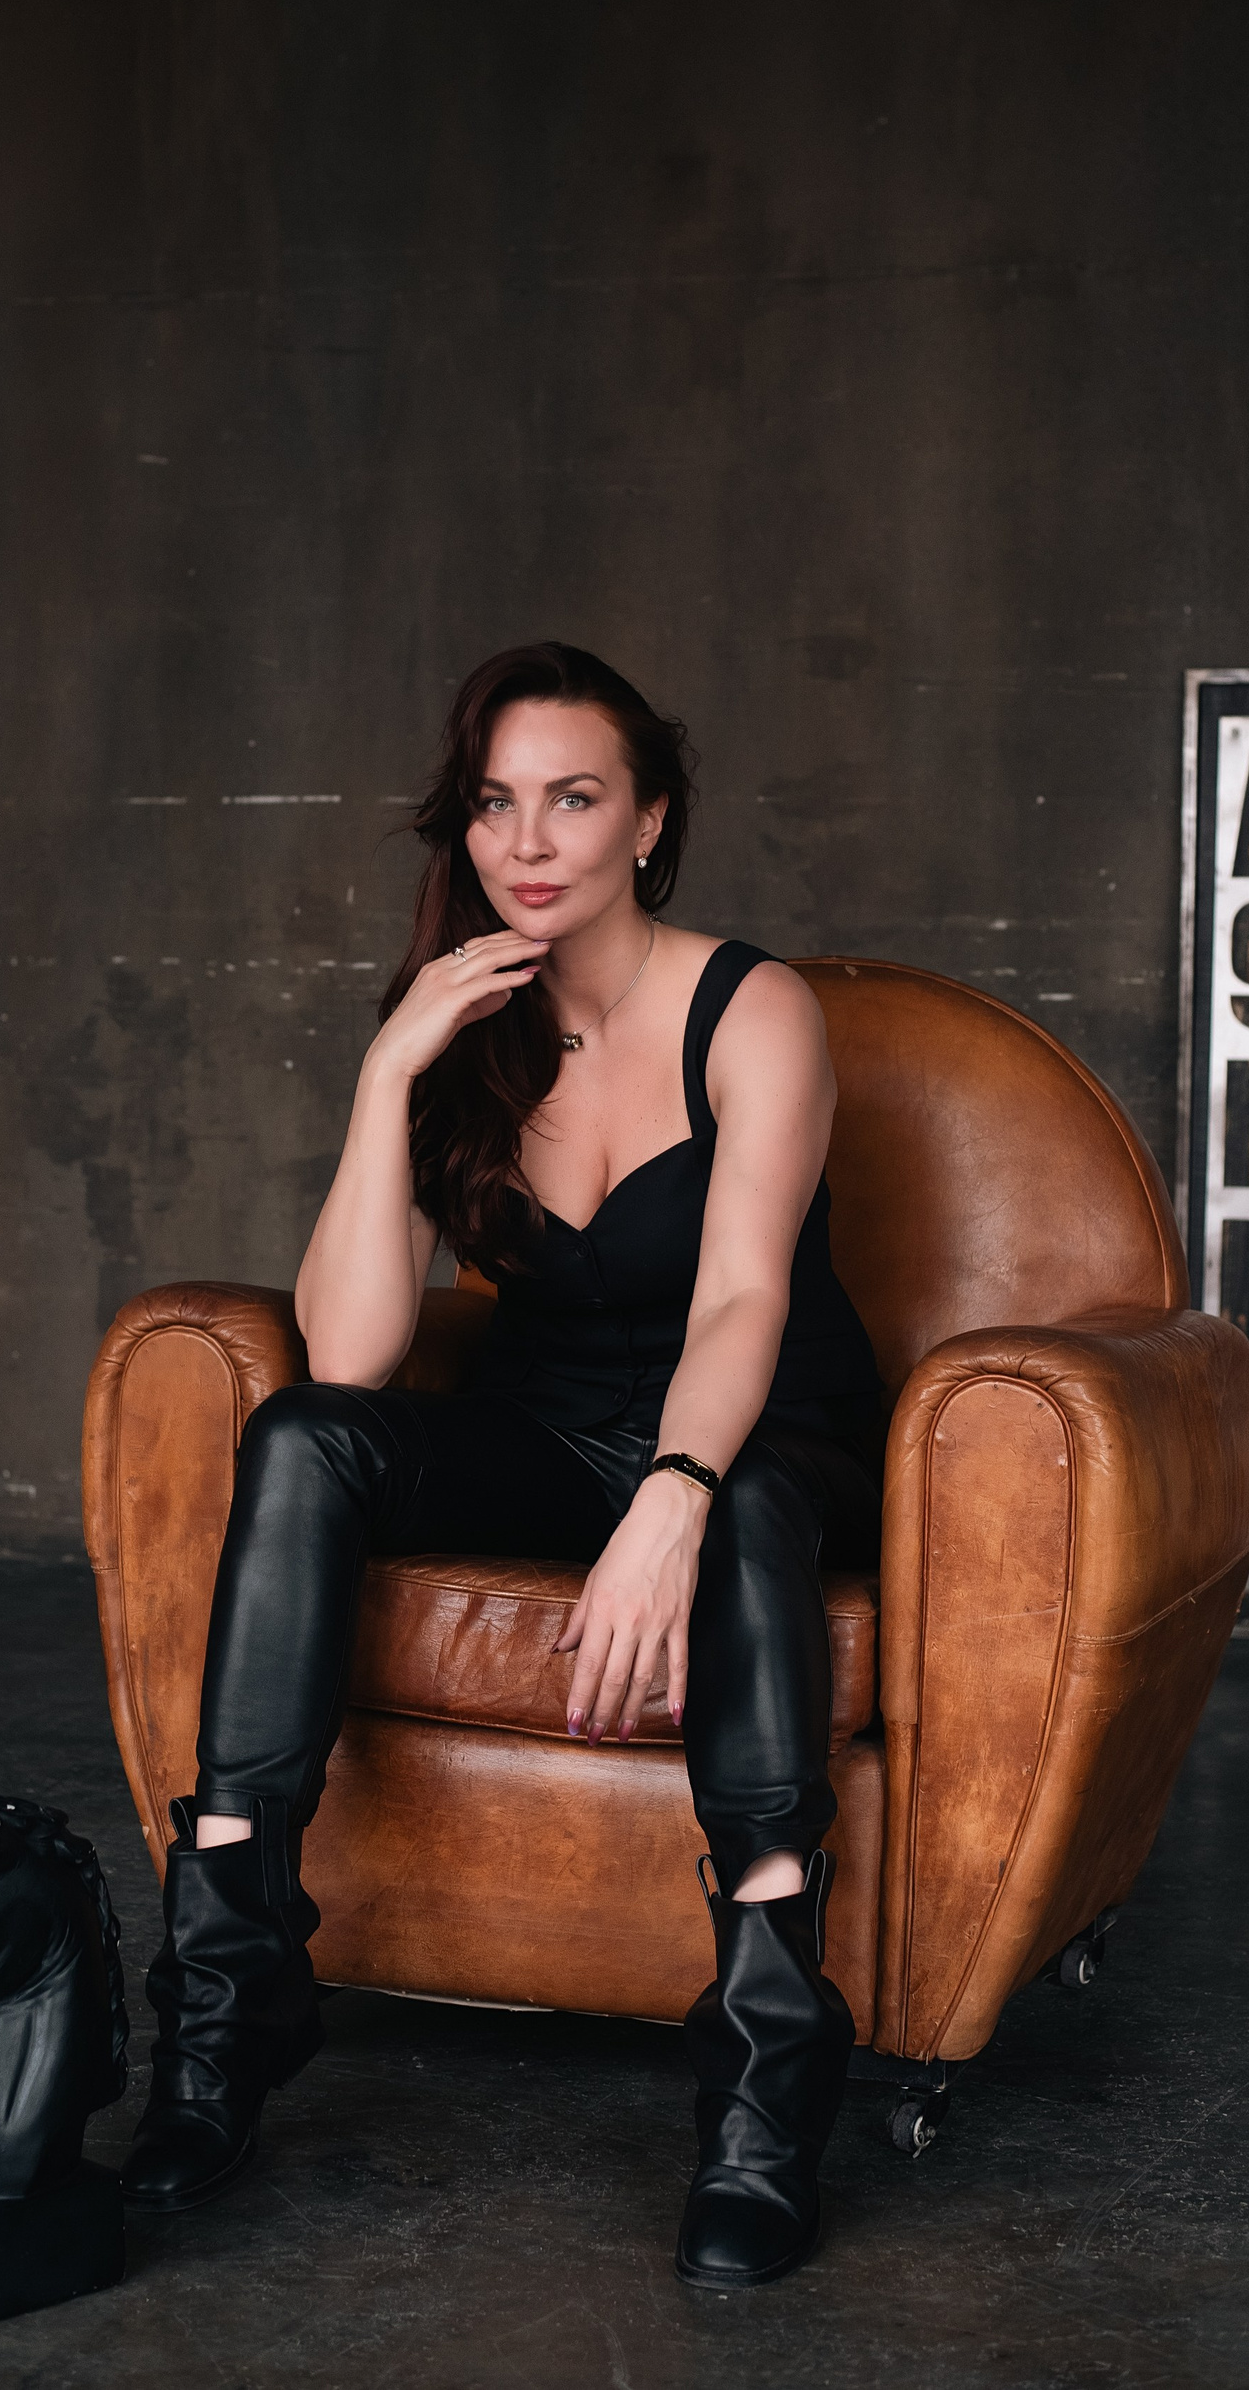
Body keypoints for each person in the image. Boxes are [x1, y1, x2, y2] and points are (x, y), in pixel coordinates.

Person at [121, 641, 884, 2287]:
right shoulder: (461, 1027)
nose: (527, 842)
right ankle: (230, 1998)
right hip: (550, 1434)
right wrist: (390, 1073)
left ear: (649, 821)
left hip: (769, 1439)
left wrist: (672, 1498)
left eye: (574, 799)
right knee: (304, 1437)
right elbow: (349, 1359)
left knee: (747, 1500)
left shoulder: (754, 1010)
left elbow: (744, 1296)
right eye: (493, 802)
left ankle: (769, 2080)